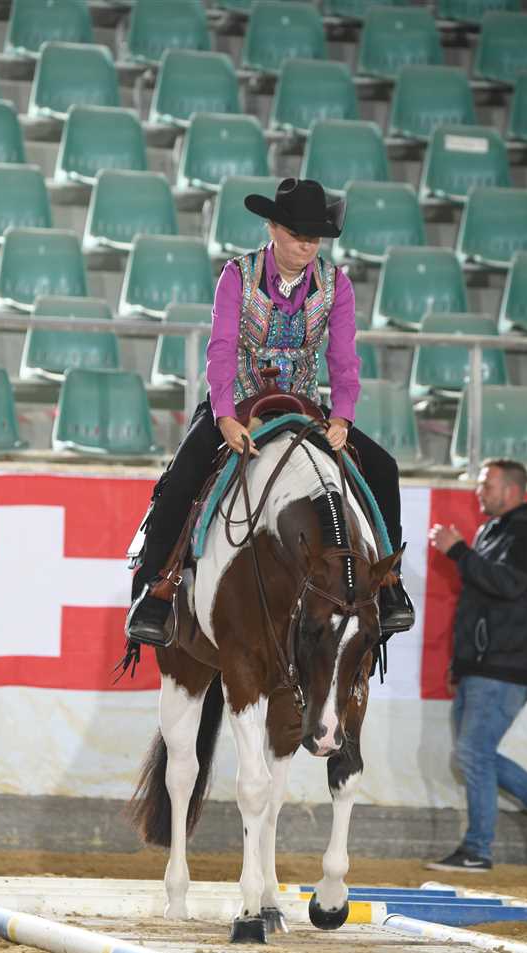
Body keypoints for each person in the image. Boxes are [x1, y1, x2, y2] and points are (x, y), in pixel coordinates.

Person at [125, 177, 415, 648]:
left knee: (383, 468)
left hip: (305, 403)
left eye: (314, 237)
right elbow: (221, 349)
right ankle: (154, 589)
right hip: (237, 402)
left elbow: (344, 358)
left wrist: (342, 416)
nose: (306, 246)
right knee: (182, 476)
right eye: (298, 234)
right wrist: (224, 416)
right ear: (273, 229)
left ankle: (388, 583)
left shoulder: (336, 285)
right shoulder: (236, 276)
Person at [425, 459, 527, 872]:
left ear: (511, 491)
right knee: (473, 755)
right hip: (485, 664)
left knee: (472, 753)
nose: (479, 492)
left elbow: (507, 584)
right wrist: (462, 664)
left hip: (504, 665)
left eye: (487, 485)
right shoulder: (495, 530)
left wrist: (458, 551)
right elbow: (480, 600)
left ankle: (478, 849)